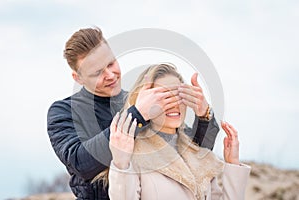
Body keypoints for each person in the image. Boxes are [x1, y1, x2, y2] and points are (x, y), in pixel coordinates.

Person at [47, 27, 220, 199]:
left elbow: (189, 151)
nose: (110, 75)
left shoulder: (139, 100)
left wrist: (203, 116)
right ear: (78, 78)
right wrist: (137, 115)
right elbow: (80, 163)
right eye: (98, 72)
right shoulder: (62, 112)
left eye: (111, 63)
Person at [106, 63, 251, 200]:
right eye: (164, 96)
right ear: (144, 102)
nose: (174, 103)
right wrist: (121, 163)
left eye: (179, 94)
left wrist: (233, 164)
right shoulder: (134, 154)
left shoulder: (198, 153)